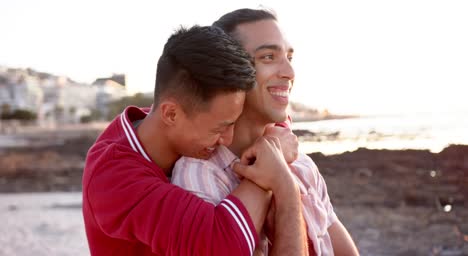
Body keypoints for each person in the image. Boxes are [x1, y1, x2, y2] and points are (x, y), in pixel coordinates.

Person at [82, 25, 306, 255]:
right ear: (170, 114)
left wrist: (274, 135)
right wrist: (270, 168)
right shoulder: (113, 178)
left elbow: (268, 119)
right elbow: (222, 247)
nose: (228, 139)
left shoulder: (176, 116)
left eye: (234, 123)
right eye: (220, 128)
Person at [172, 9, 359, 255]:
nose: (289, 73)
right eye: (268, 57)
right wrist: (285, 190)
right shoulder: (199, 177)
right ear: (229, 73)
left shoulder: (302, 165)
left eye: (289, 57)